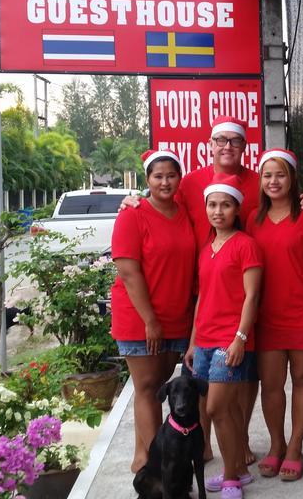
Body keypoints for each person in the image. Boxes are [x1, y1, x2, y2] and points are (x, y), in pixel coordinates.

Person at [121, 116, 303, 464]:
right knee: (201, 377)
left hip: (243, 296)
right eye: (220, 139)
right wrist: (133, 200)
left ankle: (239, 441)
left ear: (245, 147)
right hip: (199, 296)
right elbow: (160, 195)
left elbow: (285, 195)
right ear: (209, 144)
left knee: (242, 376)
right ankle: (203, 444)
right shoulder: (190, 182)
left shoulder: (261, 180)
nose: (227, 146)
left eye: (235, 140)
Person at [247, 149, 303, 482]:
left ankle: (296, 446)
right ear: (261, 181)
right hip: (267, 317)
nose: (274, 181)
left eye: (281, 174)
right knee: (272, 386)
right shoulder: (252, 220)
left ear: (293, 178)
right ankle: (276, 445)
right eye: (267, 175)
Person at [110, 149, 196, 473]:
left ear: (179, 178)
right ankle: (155, 466)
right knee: (147, 387)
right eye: (158, 176)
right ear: (147, 180)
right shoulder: (132, 215)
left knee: (160, 384)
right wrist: (151, 321)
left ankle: (143, 452)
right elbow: (129, 272)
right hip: (141, 318)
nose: (165, 182)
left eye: (171, 175)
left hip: (176, 316)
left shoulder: (186, 212)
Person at [184, 173, 262, 499]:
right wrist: (191, 342)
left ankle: (229, 477)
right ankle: (239, 470)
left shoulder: (246, 246)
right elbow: (202, 298)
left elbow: (252, 296)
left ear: (236, 210)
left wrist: (240, 338)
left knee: (216, 408)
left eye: (225, 205)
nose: (218, 211)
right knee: (222, 410)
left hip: (230, 341)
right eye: (213, 205)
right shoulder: (206, 249)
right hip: (203, 341)